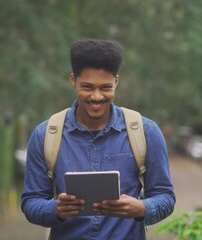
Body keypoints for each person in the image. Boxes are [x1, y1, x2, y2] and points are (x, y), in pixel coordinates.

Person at [21, 39, 175, 239]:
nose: (96, 96)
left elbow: (166, 197)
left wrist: (142, 208)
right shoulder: (46, 135)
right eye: (87, 87)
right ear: (72, 80)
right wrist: (56, 209)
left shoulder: (145, 132)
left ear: (116, 82)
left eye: (105, 88)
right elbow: (30, 202)